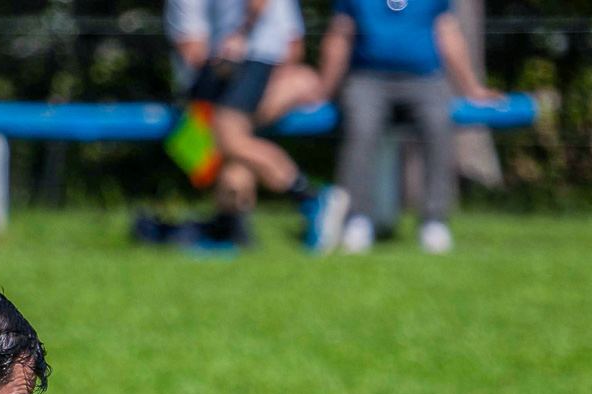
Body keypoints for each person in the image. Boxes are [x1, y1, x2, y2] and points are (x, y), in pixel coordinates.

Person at [163, 0, 348, 252]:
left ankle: (312, 197)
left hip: (253, 61)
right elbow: (194, 52)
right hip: (234, 69)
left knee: (226, 135)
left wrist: (239, 39)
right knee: (231, 141)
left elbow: (288, 43)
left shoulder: (254, 35)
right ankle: (232, 233)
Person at [317, 0, 500, 255]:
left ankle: (434, 222)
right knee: (361, 128)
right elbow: (339, 36)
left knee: (439, 124)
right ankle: (357, 221)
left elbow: (448, 34)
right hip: (368, 78)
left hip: (424, 78)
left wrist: (471, 88)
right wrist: (323, 91)